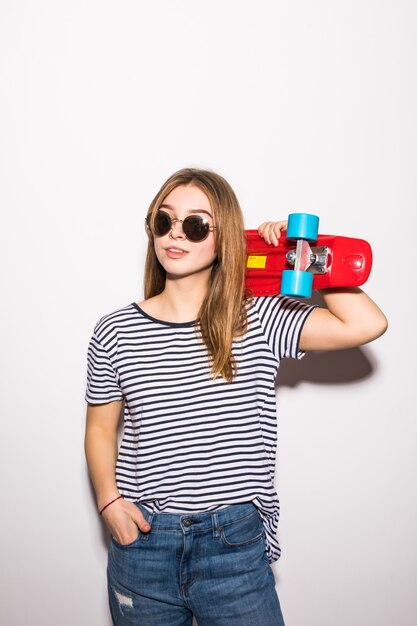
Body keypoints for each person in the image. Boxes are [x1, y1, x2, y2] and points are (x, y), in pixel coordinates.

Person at [84, 167, 387, 626]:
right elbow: (102, 427)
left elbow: (366, 324)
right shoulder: (115, 331)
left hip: (232, 545)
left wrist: (305, 252)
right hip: (144, 544)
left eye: (196, 225)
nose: (175, 235)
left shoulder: (260, 317)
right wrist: (109, 504)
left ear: (225, 236)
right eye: (163, 221)